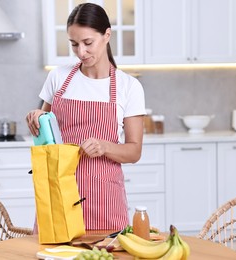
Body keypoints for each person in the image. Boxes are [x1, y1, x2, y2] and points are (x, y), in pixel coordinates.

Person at [26, 3, 146, 230]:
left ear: (107, 35)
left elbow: (134, 151)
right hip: (58, 194)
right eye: (74, 44)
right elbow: (47, 134)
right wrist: (38, 117)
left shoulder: (128, 86)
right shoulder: (58, 77)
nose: (81, 52)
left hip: (104, 198)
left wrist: (105, 147)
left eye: (88, 43)